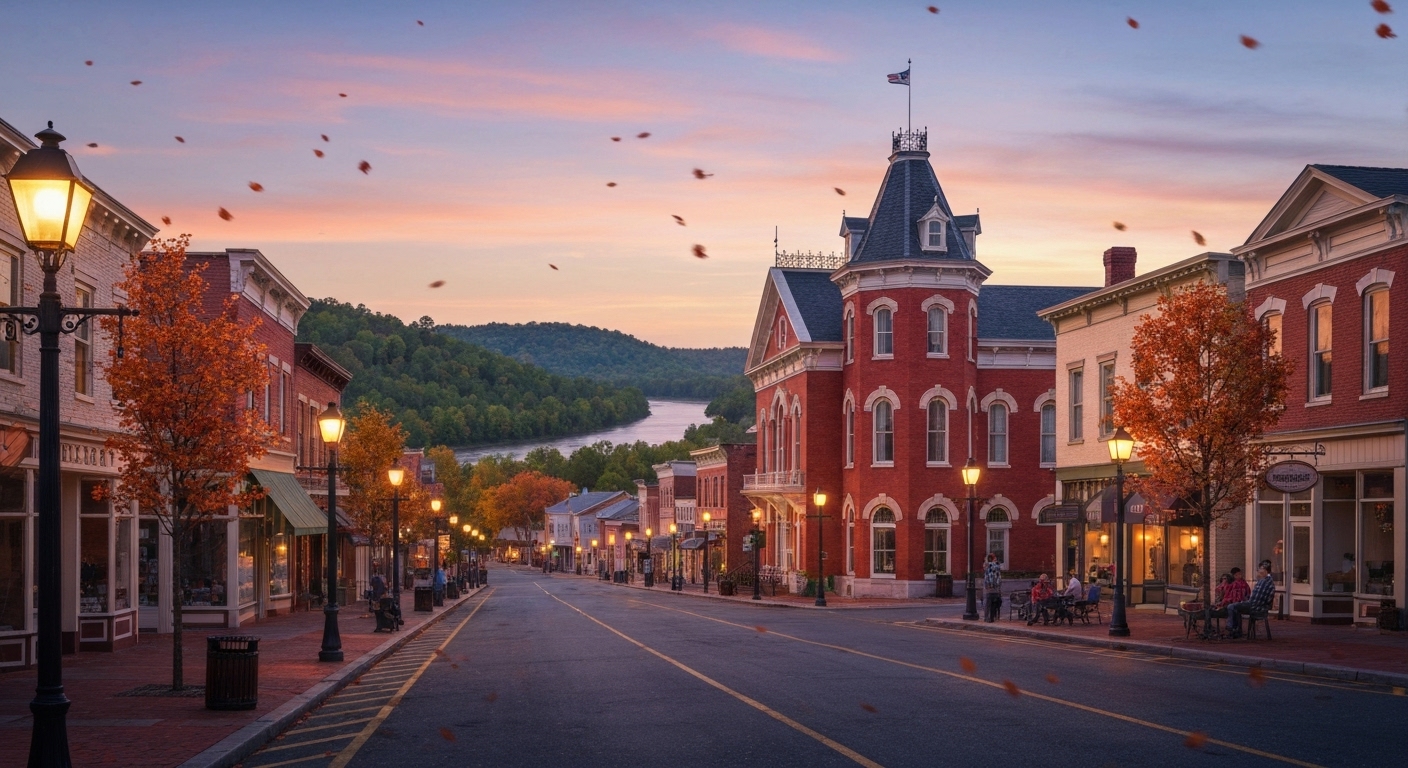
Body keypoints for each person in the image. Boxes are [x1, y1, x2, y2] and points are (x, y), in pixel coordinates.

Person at [1226, 564, 1274, 638]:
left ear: (1265, 571)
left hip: (1255, 607)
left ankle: (1231, 627)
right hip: (1259, 606)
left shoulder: (1263, 583)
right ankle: (1235, 629)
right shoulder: (1268, 582)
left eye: (1259, 570)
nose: (1257, 572)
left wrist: (1244, 602)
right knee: (1236, 607)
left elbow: (1254, 599)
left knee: (1231, 606)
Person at [982, 554, 1002, 622]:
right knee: (994, 603)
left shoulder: (987, 566)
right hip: (996, 588)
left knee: (987, 604)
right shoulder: (997, 566)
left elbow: (987, 577)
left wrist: (986, 559)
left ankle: (987, 618)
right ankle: (992, 617)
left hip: (989, 588)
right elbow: (999, 578)